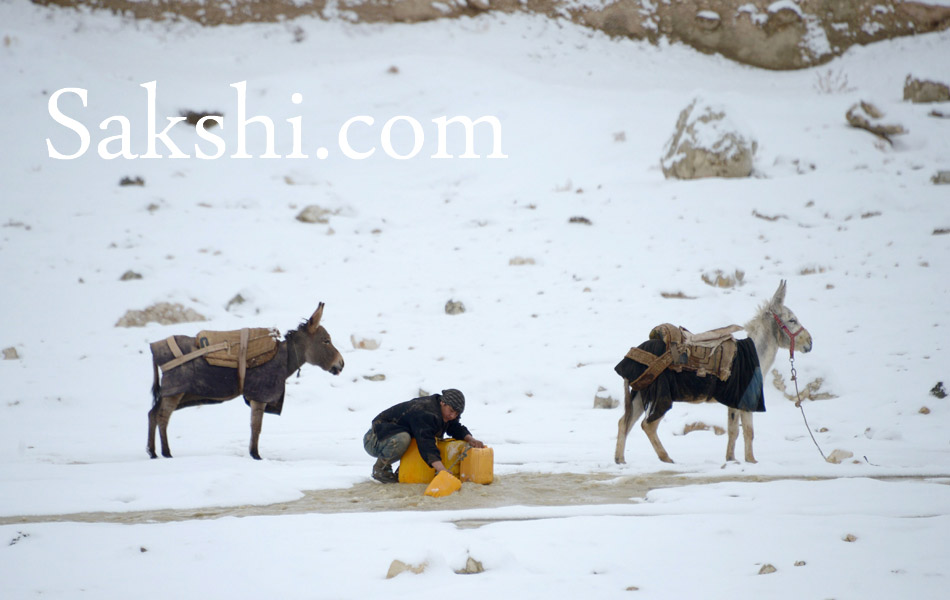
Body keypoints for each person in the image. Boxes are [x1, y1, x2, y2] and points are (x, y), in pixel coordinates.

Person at [363, 388, 485, 483]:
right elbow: (426, 442)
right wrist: (441, 469)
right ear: (443, 403)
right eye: (452, 411)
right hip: (375, 439)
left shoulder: (445, 413)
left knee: (419, 438)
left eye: (457, 414)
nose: (453, 416)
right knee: (405, 438)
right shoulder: (424, 412)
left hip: (392, 437)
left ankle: (403, 471)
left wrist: (471, 439)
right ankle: (380, 469)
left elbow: (454, 427)